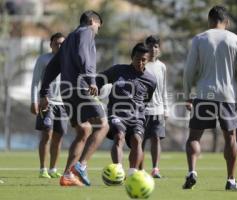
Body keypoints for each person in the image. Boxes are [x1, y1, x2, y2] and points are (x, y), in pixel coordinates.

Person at [182, 5, 237, 190]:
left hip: (204, 93)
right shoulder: (236, 39)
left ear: (209, 20)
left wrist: (188, 93)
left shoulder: (199, 38)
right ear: (227, 22)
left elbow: (189, 70)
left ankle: (192, 172)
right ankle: (230, 180)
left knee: (194, 137)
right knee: (231, 138)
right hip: (227, 96)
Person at [39, 10, 109, 186]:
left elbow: (52, 68)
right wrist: (91, 80)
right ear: (92, 21)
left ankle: (67, 175)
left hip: (66, 91)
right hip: (80, 87)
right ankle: (81, 166)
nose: (98, 30)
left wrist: (44, 94)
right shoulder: (86, 32)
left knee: (84, 131)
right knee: (103, 125)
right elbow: (83, 55)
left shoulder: (69, 38)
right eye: (98, 26)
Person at [96, 43, 157, 176]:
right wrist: (96, 89)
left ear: (148, 60)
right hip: (117, 114)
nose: (140, 62)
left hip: (137, 117)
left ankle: (132, 173)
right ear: (131, 57)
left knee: (136, 140)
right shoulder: (118, 70)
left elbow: (146, 100)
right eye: (137, 59)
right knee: (119, 135)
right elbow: (99, 79)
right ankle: (118, 170)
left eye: (143, 60)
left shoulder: (151, 81)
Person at [30, 32, 66, 179]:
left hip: (63, 104)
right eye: (56, 43)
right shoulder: (43, 59)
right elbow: (35, 81)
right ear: (51, 44)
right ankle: (42, 169)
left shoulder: (68, 60)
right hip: (47, 102)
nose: (59, 46)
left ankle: (53, 169)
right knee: (47, 135)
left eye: (62, 44)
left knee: (59, 137)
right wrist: (34, 100)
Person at [141, 35, 168, 178]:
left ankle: (155, 169)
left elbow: (164, 88)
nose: (153, 49)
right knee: (140, 140)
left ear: (159, 49)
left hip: (157, 110)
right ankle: (139, 168)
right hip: (141, 110)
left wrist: (166, 108)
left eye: (156, 46)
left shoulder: (162, 67)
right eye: (150, 46)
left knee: (156, 138)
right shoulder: (141, 64)